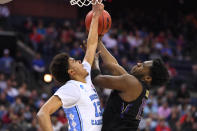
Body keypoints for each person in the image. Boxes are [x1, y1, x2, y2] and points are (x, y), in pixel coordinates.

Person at [37, 2, 104, 131]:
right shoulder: (72, 88)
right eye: (74, 61)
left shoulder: (86, 76)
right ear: (71, 72)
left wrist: (96, 16)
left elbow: (91, 45)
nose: (80, 61)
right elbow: (42, 114)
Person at [91, 38, 169, 131]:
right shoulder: (138, 87)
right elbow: (113, 65)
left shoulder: (132, 83)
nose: (138, 64)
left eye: (142, 66)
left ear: (147, 78)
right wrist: (98, 41)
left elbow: (97, 79)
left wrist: (93, 60)